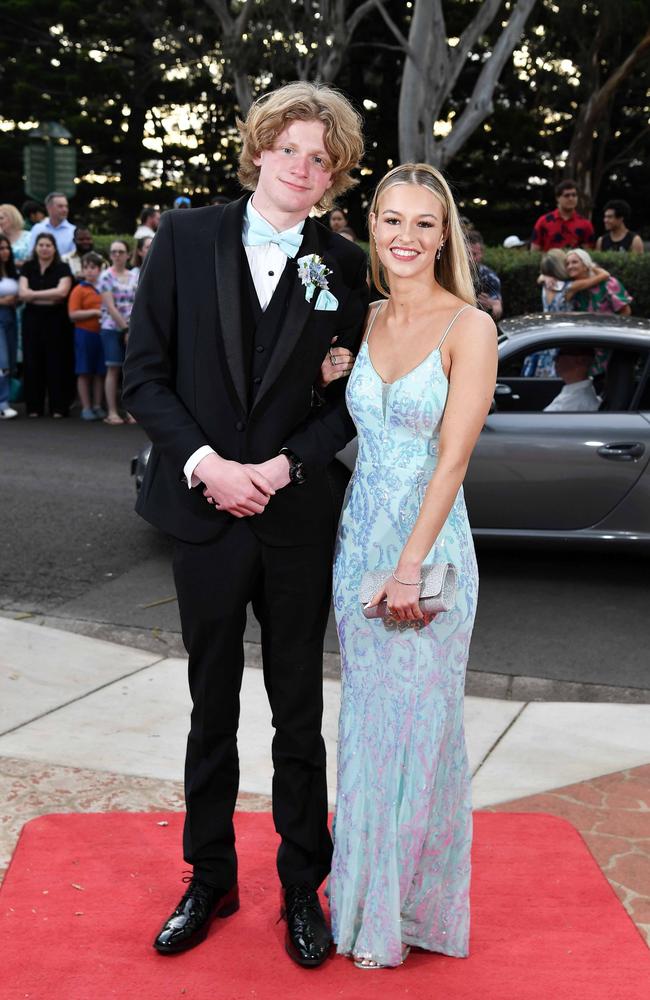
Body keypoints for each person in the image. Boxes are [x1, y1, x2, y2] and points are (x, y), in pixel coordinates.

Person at [122, 81, 368, 967]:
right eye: (291, 148)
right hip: (204, 517)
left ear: (333, 175)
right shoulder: (185, 239)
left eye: (321, 158)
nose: (303, 168)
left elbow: (350, 402)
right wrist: (209, 468)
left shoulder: (344, 263)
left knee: (298, 714)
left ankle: (304, 884)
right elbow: (143, 376)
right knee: (209, 709)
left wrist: (282, 466)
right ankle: (210, 877)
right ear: (260, 148)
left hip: (296, 516)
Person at [328, 163, 497, 969]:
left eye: (424, 224)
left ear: (445, 236)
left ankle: (407, 914)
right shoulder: (363, 321)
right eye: (392, 220)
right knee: (365, 730)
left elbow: (453, 461)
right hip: (356, 542)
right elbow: (346, 418)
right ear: (373, 228)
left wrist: (407, 567)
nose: (406, 237)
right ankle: (361, 903)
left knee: (419, 733)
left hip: (426, 555)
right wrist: (336, 377)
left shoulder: (471, 327)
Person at [18, 233, 73, 417]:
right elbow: (22, 294)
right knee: (33, 362)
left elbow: (62, 293)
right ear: (35, 248)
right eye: (41, 245)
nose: (44, 248)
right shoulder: (28, 267)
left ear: (54, 248)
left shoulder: (63, 268)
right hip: (32, 320)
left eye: (48, 245)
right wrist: (47, 296)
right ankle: (34, 407)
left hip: (56, 321)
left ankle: (59, 407)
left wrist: (33, 295)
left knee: (57, 362)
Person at [98, 240, 139, 424]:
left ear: (128, 255)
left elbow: (137, 303)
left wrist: (132, 328)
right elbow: (110, 306)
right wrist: (125, 328)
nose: (117, 255)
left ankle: (131, 411)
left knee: (130, 370)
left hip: (133, 327)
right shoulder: (105, 276)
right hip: (112, 327)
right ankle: (112, 411)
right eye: (113, 252)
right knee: (113, 368)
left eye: (121, 252)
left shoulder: (134, 276)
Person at [68, 251, 106, 420]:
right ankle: (86, 407)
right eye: (86, 268)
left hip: (102, 333)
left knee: (100, 372)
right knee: (84, 371)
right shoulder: (79, 290)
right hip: (84, 333)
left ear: (99, 269)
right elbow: (73, 314)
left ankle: (97, 405)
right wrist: (95, 312)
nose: (90, 271)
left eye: (93, 267)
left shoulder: (104, 287)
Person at [530, 179, 595, 252]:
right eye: (567, 195)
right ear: (558, 198)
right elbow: (534, 252)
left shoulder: (585, 224)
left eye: (574, 195)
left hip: (573, 262)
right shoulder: (543, 222)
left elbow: (588, 254)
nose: (571, 198)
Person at [565, 249, 632, 315]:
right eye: (567, 264)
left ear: (585, 265)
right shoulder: (569, 287)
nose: (570, 266)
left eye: (574, 262)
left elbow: (625, 311)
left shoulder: (608, 283)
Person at [544, 347, 600, 412]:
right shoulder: (582, 393)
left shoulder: (569, 405)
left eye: (559, 354)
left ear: (581, 360)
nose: (554, 359)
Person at [0, 234, 19, 419]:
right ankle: (2, 403)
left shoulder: (12, 271)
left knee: (11, 361)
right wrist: (3, 301)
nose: (4, 251)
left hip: (12, 318)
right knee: (2, 363)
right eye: (1, 248)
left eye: (6, 248)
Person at [467, 230, 503, 320]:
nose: (470, 259)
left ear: (482, 254)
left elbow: (498, 308)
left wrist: (491, 305)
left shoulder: (489, 277)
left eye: (475, 254)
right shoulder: (451, 275)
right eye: (467, 253)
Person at [27, 192, 76, 257]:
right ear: (49, 208)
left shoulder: (73, 231)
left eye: (66, 206)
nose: (65, 210)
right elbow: (31, 254)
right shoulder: (37, 228)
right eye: (60, 206)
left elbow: (74, 257)